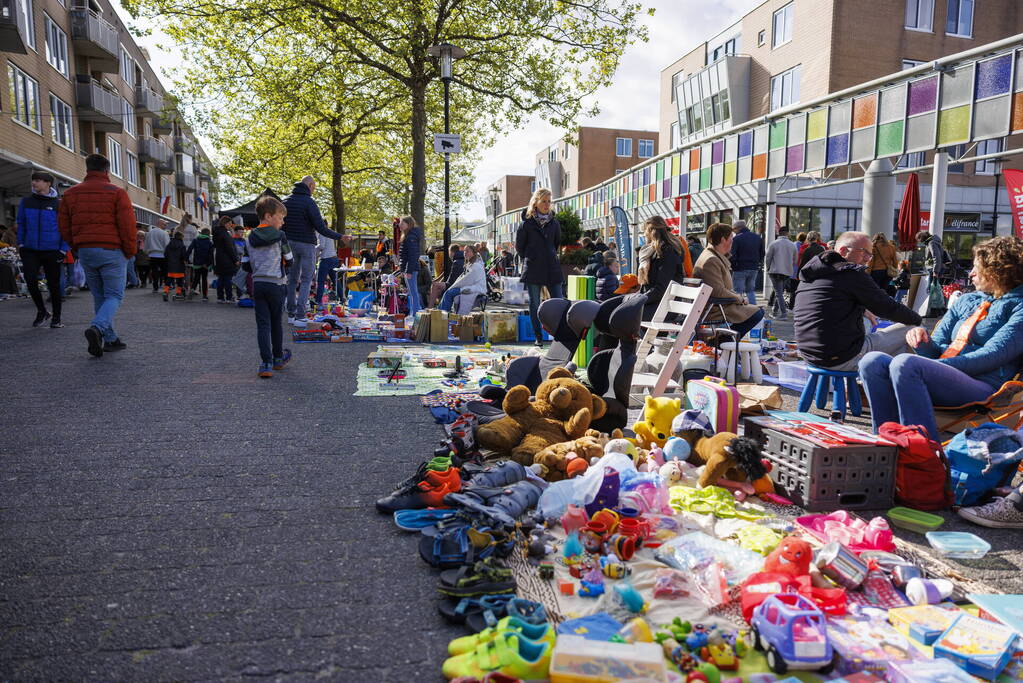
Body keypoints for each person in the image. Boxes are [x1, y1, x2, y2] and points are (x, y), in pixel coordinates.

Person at [860, 236, 1023, 448]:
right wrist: (922, 341)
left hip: (986, 387)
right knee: (871, 361)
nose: (971, 273)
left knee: (906, 364)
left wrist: (931, 366)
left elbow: (993, 355)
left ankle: (924, 453)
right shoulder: (967, 300)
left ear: (998, 271)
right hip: (946, 375)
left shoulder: (1018, 306)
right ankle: (885, 445)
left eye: (977, 268)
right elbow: (935, 347)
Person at [794, 231, 922, 372]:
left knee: (871, 323)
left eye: (870, 253)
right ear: (843, 251)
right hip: (841, 357)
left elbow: (831, 302)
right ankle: (905, 386)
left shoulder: (813, 272)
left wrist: (862, 309)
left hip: (810, 355)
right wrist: (917, 320)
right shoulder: (851, 273)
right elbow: (887, 307)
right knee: (915, 331)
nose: (868, 258)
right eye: (864, 252)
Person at [58, 154, 136, 356]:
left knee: (99, 295)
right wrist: (130, 251)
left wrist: (76, 246)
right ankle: (98, 327)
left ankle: (110, 338)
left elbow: (64, 225)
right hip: (112, 249)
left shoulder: (71, 193)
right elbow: (127, 226)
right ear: (107, 171)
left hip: (86, 250)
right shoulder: (117, 193)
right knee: (114, 295)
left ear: (87, 169)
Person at [241, 195, 293, 378]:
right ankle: (278, 358)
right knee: (276, 322)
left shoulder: (249, 238)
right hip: (277, 284)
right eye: (280, 218)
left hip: (258, 284)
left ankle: (265, 363)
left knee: (263, 324)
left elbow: (245, 264)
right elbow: (289, 259)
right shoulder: (280, 236)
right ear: (269, 216)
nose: (282, 222)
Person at [282, 177, 344, 324]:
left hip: (289, 244)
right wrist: (340, 236)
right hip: (306, 244)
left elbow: (281, 225)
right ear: (310, 185)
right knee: (306, 280)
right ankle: (300, 315)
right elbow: (320, 227)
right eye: (314, 187)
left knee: (291, 279)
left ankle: (291, 314)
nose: (314, 190)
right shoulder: (309, 202)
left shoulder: (285, 201)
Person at [693, 223, 765, 339]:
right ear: (723, 240)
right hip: (715, 308)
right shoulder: (711, 260)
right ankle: (723, 341)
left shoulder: (712, 256)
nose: (733, 240)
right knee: (757, 313)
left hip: (716, 305)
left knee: (756, 311)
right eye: (731, 237)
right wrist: (739, 298)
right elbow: (717, 291)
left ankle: (725, 340)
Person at [17, 171, 65, 328]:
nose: (34, 183)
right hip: (30, 250)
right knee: (30, 280)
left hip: (52, 251)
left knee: (53, 285)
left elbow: (66, 228)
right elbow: (21, 224)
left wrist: (63, 250)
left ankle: (56, 318)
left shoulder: (59, 204)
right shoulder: (26, 202)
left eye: (38, 180)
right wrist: (21, 244)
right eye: (33, 180)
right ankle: (42, 311)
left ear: (48, 183)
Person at [516, 188, 563, 346]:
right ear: (535, 202)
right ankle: (538, 338)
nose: (547, 204)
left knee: (559, 302)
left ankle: (560, 336)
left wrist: (548, 255)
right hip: (534, 267)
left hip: (552, 267)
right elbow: (520, 247)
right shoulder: (526, 224)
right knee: (535, 303)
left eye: (549, 201)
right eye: (543, 201)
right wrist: (532, 257)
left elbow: (556, 244)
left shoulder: (554, 223)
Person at [638, 215, 691, 321]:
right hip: (656, 302)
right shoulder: (652, 252)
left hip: (665, 306)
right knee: (618, 309)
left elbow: (661, 288)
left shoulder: (668, 252)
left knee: (624, 316)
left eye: (644, 232)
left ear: (651, 232)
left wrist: (639, 300)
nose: (644, 235)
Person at [439, 244, 485, 312]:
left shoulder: (476, 265)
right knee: (449, 292)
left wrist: (454, 286)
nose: (465, 253)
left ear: (473, 253)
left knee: (449, 293)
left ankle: (442, 313)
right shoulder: (470, 263)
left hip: (475, 288)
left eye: (467, 251)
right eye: (464, 251)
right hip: (470, 287)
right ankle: (441, 312)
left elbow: (467, 280)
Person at [765, 225, 798, 320]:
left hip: (775, 271)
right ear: (787, 233)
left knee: (778, 292)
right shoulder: (792, 245)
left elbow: (768, 258)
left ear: (779, 233)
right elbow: (795, 261)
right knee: (779, 291)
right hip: (787, 272)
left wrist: (768, 268)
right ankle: (775, 311)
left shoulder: (773, 244)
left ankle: (783, 314)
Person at [729, 220, 763, 306]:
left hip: (740, 268)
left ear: (738, 228)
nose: (733, 232)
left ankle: (739, 311)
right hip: (753, 268)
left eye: (734, 230)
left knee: (738, 291)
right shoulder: (757, 237)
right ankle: (753, 310)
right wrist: (757, 263)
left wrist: (734, 266)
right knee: (750, 290)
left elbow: (732, 254)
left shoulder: (736, 239)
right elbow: (762, 252)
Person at [397, 216, 423, 318]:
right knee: (412, 292)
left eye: (402, 223)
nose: (400, 225)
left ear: (409, 224)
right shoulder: (409, 236)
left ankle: (415, 314)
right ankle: (414, 312)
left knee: (413, 292)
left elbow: (413, 256)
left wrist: (408, 271)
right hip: (409, 268)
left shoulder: (410, 237)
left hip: (411, 269)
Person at [212, 217, 238, 303]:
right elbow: (230, 248)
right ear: (225, 223)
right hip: (227, 259)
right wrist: (235, 259)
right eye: (230, 224)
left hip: (219, 258)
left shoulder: (217, 233)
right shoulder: (225, 234)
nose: (231, 226)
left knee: (221, 278)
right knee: (227, 279)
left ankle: (220, 297)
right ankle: (229, 297)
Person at [185, 227, 214, 300]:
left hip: (197, 263)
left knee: (196, 278)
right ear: (208, 234)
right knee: (204, 279)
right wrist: (209, 263)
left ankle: (192, 289)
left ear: (201, 233)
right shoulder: (210, 242)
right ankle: (204, 296)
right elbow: (211, 254)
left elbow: (189, 249)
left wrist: (186, 258)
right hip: (205, 263)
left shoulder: (195, 240)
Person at [144, 219, 170, 294]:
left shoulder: (150, 233)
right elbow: (167, 245)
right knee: (165, 271)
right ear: (160, 224)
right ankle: (166, 287)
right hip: (162, 255)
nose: (165, 226)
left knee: (154, 271)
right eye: (164, 224)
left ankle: (155, 287)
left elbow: (146, 244)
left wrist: (146, 252)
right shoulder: (164, 233)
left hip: (153, 254)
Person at [314, 232, 339, 305]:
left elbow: (321, 246)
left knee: (320, 282)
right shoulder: (329, 233)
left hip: (325, 259)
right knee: (335, 281)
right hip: (334, 258)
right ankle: (342, 298)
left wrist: (313, 249)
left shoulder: (322, 233)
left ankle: (318, 301)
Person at [163, 231, 189, 301]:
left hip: (170, 265)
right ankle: (178, 293)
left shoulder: (169, 245)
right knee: (180, 280)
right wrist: (186, 260)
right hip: (179, 265)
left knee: (169, 279)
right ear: (181, 237)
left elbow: (165, 254)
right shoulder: (182, 245)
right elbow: (184, 256)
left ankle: (165, 292)